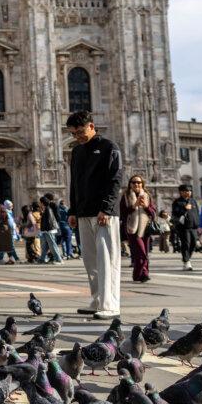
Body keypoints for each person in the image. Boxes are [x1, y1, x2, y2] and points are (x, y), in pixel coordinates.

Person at [66, 110, 123, 320]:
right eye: (74, 134)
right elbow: (75, 184)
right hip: (84, 212)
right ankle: (97, 300)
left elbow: (115, 180)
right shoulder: (78, 152)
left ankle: (110, 304)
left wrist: (106, 208)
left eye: (80, 132)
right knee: (90, 260)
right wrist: (73, 210)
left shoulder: (109, 147)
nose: (78, 136)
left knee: (107, 258)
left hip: (103, 213)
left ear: (91, 126)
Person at [119, 175, 156, 282]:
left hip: (145, 229)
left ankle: (137, 275)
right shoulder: (125, 196)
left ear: (142, 184)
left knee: (142, 253)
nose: (136, 184)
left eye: (139, 182)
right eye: (134, 182)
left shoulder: (147, 196)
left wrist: (146, 207)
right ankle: (144, 273)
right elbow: (122, 213)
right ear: (130, 184)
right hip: (132, 229)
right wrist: (134, 205)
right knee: (141, 252)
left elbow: (153, 213)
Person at [170, 184, 200, 270]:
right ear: (181, 192)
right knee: (186, 244)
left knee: (193, 244)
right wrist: (184, 209)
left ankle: (186, 258)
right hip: (184, 227)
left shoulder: (193, 201)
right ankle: (187, 261)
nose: (189, 192)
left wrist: (198, 224)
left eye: (190, 191)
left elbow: (197, 213)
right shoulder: (177, 202)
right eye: (186, 191)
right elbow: (175, 213)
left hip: (193, 226)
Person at [39, 194, 63, 265]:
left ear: (42, 202)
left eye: (40, 202)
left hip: (49, 229)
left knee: (52, 245)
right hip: (46, 230)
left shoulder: (48, 209)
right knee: (44, 245)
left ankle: (59, 259)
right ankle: (42, 259)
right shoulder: (46, 208)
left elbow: (49, 221)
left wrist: (46, 229)